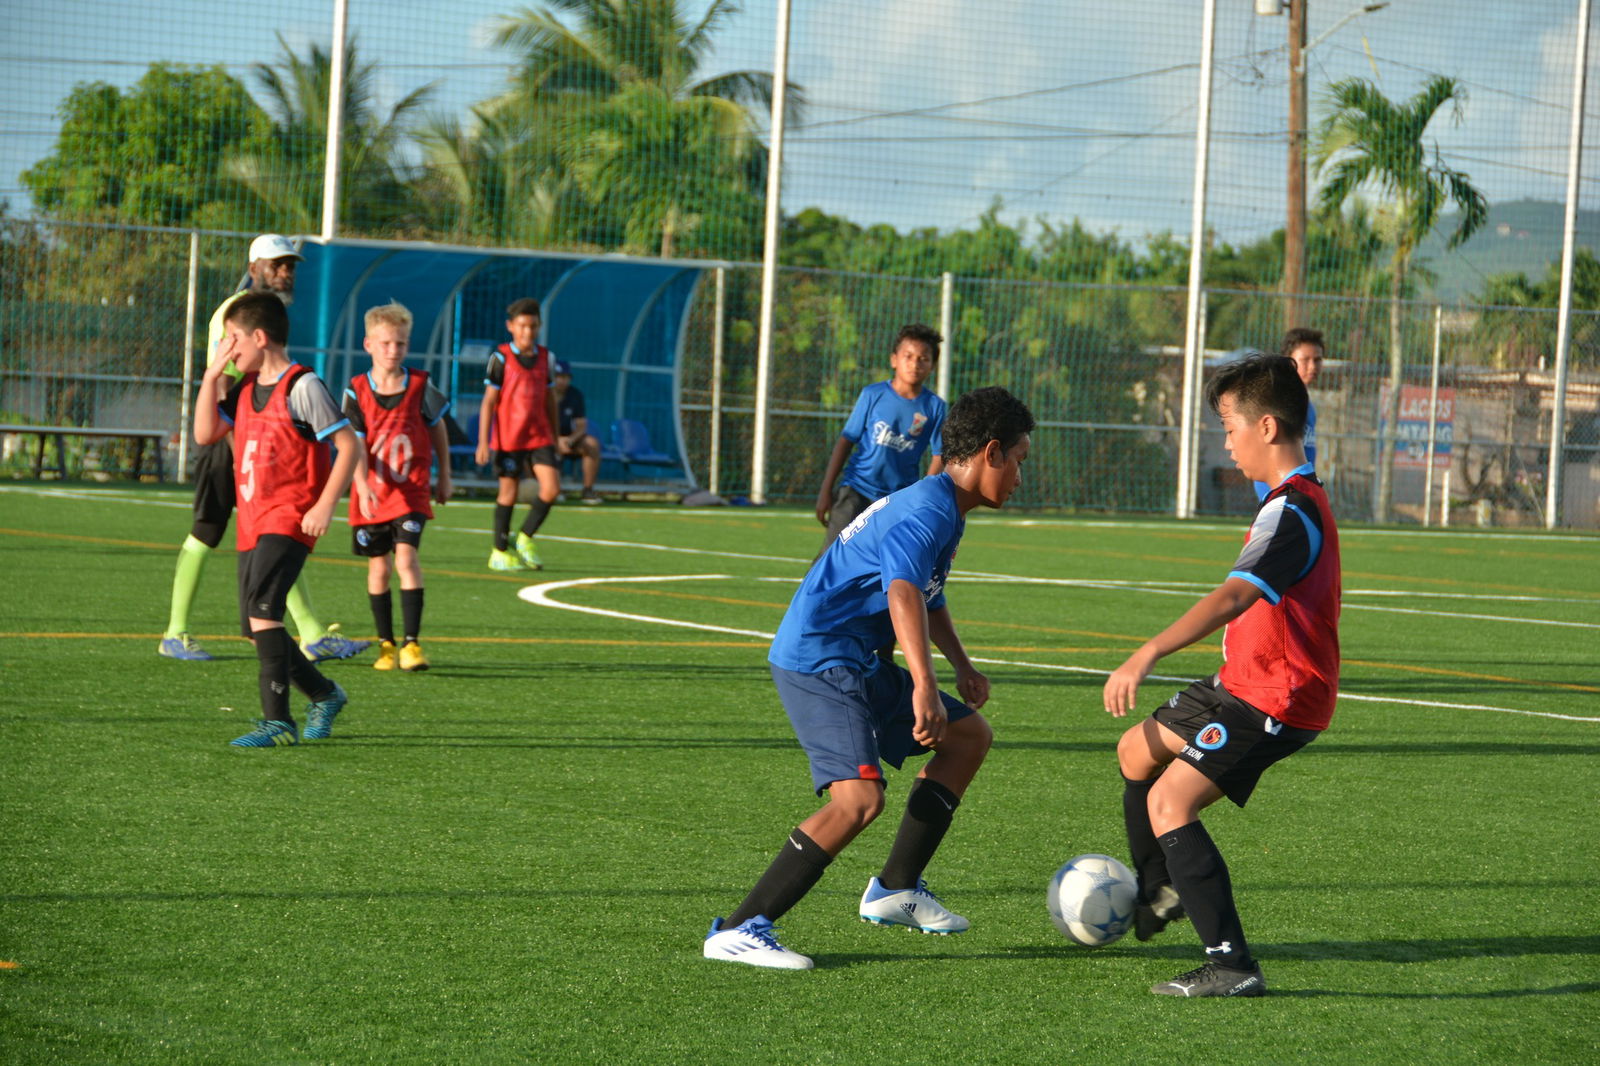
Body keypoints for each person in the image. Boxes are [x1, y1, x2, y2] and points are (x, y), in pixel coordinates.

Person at [703, 386, 1035, 970]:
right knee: (859, 799)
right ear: (991, 452)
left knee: (969, 736)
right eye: (1019, 461)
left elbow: (927, 595)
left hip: (856, 658)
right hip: (820, 657)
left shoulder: (944, 505)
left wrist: (961, 665)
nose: (1020, 477)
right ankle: (739, 928)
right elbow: (902, 592)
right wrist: (926, 688)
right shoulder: (930, 508)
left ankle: (896, 888)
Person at [1103, 351, 1340, 998]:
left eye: (1231, 426)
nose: (1226, 441)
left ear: (1266, 428)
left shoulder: (1292, 511)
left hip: (1278, 696)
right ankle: (1159, 891)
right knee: (1136, 752)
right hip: (1242, 679)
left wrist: (1147, 651)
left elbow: (1235, 596)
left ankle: (1232, 965)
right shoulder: (1282, 499)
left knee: (1169, 801)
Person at [159, 233, 369, 664]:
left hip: (251, 437)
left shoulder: (267, 315)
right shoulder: (236, 315)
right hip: (232, 434)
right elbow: (222, 380)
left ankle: (310, 632)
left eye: (290, 264)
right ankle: (175, 632)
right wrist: (241, 449)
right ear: (254, 267)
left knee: (276, 534)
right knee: (209, 529)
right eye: (277, 264)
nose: (286, 271)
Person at [193, 292, 376, 747]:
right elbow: (203, 433)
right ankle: (324, 694)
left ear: (259, 336)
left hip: (289, 516)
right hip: (253, 521)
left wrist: (324, 504)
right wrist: (213, 374)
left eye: (233, 338)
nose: (228, 347)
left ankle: (278, 723)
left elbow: (348, 444)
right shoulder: (243, 388)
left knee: (264, 612)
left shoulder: (303, 386)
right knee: (256, 630)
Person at [343, 302, 452, 672]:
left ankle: (412, 645)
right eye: (386, 343)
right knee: (378, 569)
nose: (394, 350)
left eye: (401, 344)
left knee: (405, 558)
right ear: (368, 344)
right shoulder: (356, 390)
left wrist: (445, 475)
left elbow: (437, 427)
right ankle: (386, 644)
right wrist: (361, 483)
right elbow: (354, 444)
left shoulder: (421, 386)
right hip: (372, 495)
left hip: (411, 491)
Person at [814, 324, 947, 552]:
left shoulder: (935, 407)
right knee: (832, 557)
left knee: (883, 565)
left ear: (932, 366)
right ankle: (812, 589)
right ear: (894, 360)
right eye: (908, 356)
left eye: (923, 359)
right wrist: (826, 490)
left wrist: (922, 497)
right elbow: (846, 440)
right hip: (855, 490)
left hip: (897, 500)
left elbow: (939, 455)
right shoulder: (873, 395)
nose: (915, 364)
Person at [476, 297, 561, 571]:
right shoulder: (501, 358)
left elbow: (549, 399)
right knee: (508, 493)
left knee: (551, 488)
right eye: (522, 326)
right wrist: (483, 442)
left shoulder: (546, 358)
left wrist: (556, 435)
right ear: (511, 326)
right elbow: (489, 401)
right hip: (508, 438)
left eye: (533, 326)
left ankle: (524, 536)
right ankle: (499, 551)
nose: (528, 332)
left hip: (539, 435)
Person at [1252, 327, 1323, 500]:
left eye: (1317, 360)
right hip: (1281, 488)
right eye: (1305, 360)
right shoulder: (1281, 401)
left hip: (1299, 487)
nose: (1312, 366)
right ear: (1289, 361)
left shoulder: (1305, 402)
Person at [552, 359, 603, 504]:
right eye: (558, 376)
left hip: (568, 439)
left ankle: (588, 490)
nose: (562, 380)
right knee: (549, 448)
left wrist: (570, 440)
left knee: (592, 444)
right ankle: (554, 490)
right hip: (546, 439)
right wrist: (555, 439)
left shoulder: (575, 395)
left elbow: (581, 425)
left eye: (565, 377)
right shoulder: (543, 394)